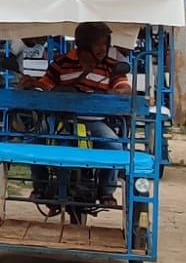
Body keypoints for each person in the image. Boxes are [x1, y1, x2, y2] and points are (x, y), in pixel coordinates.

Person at [19, 21, 131, 202]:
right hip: (59, 118)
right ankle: (40, 186)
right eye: (98, 44)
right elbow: (46, 85)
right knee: (32, 140)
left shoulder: (112, 65)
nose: (103, 48)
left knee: (115, 147)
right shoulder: (61, 63)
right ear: (84, 44)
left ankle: (106, 191)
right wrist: (33, 83)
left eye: (105, 43)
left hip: (94, 120)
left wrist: (120, 91)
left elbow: (123, 86)